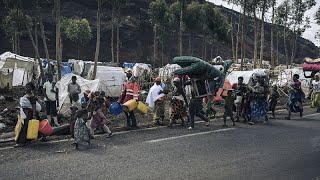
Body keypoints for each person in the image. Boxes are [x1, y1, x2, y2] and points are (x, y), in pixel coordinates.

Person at [15, 82, 42, 147]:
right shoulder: (26, 95)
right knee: (35, 126)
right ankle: (41, 137)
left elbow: (34, 106)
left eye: (28, 87)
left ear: (31, 88)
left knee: (25, 127)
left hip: (30, 114)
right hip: (26, 113)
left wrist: (34, 115)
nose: (26, 88)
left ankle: (22, 142)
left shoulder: (31, 96)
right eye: (26, 87)